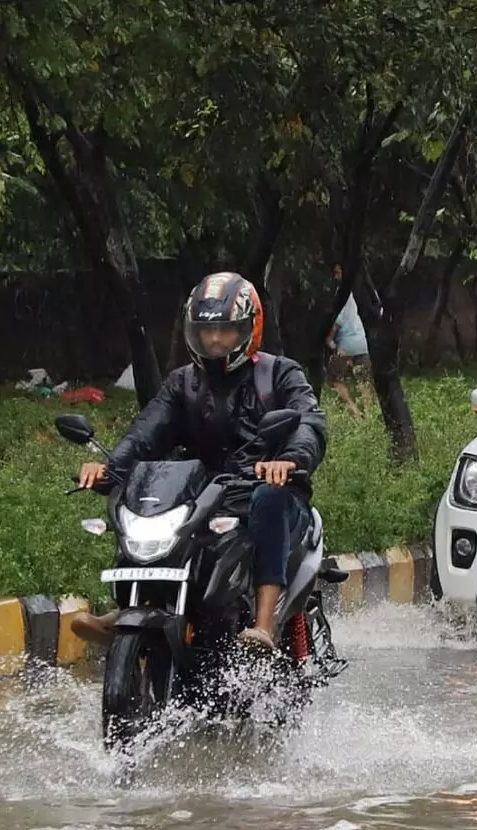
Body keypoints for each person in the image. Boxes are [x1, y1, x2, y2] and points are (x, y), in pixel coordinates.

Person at [71, 272, 328, 652]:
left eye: (226, 330)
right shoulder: (182, 384)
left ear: (249, 329)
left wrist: (290, 459)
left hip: (266, 492)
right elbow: (145, 433)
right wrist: (110, 469)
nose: (215, 340)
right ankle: (129, 609)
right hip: (202, 495)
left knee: (268, 500)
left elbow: (309, 421)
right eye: (207, 331)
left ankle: (263, 624)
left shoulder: (278, 373)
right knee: (141, 503)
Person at [326, 264, 376, 418]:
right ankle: (369, 415)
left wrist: (331, 340)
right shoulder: (354, 294)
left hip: (346, 344)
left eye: (338, 272)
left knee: (334, 379)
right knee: (364, 381)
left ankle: (355, 412)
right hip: (362, 341)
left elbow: (337, 322)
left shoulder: (341, 294)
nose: (335, 276)